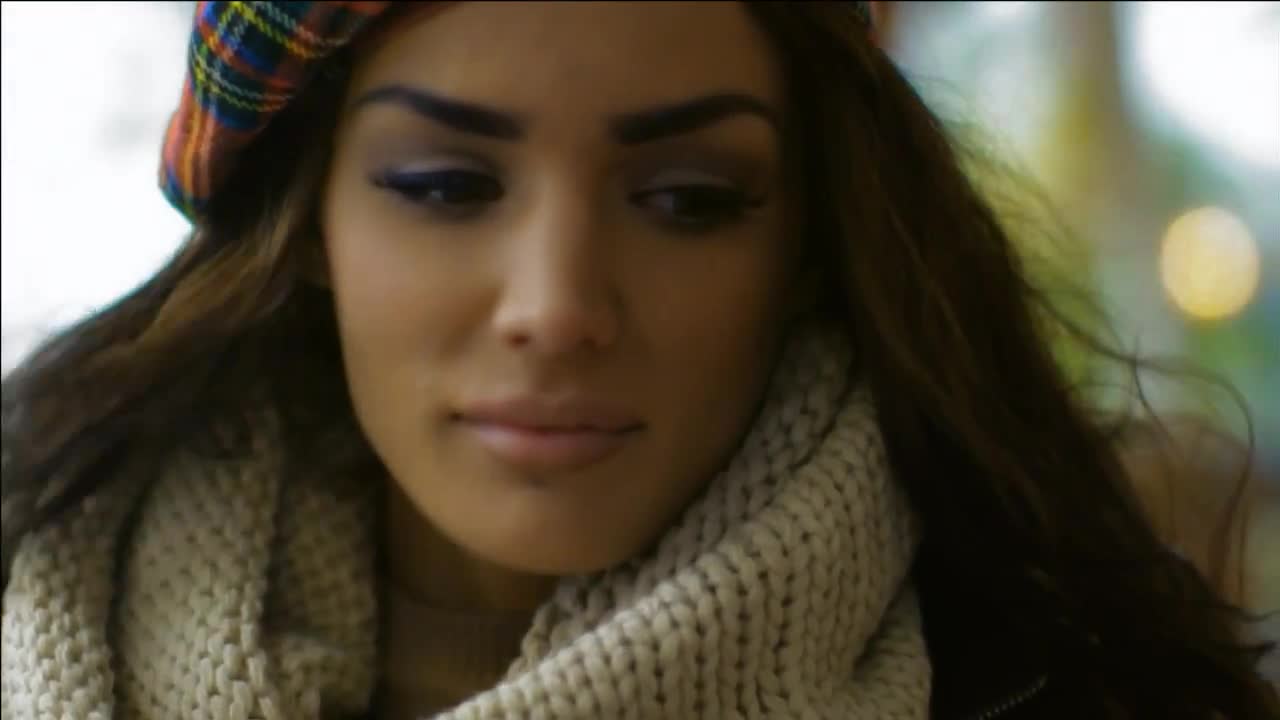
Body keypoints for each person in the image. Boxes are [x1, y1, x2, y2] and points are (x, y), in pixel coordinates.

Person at [1, 2, 1275, 719]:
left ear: (809, 240)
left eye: (686, 200)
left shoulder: (1072, 686)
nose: (557, 309)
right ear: (308, 223)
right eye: (444, 185)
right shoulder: (41, 602)